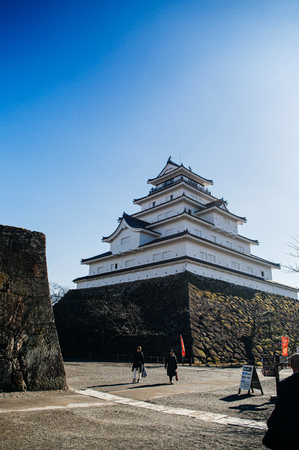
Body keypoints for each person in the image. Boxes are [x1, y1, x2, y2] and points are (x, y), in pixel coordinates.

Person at [263, 353, 299, 449]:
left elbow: (281, 408)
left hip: (290, 429)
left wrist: (270, 422)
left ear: (291, 366)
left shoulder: (285, 384)